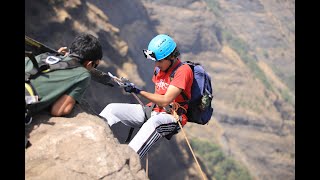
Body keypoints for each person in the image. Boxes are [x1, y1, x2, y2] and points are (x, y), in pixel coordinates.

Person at [99, 34, 193, 159]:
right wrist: (131, 87)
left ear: (171, 57)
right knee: (112, 109)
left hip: (172, 117)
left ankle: (128, 160)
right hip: (154, 111)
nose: (156, 65)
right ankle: (95, 140)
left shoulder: (183, 71)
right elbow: (158, 94)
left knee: (154, 123)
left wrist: (137, 91)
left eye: (159, 61)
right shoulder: (159, 70)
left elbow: (165, 100)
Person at [25, 33, 102, 118]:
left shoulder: (44, 56)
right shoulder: (83, 75)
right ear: (89, 63)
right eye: (95, 65)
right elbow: (58, 110)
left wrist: (60, 59)